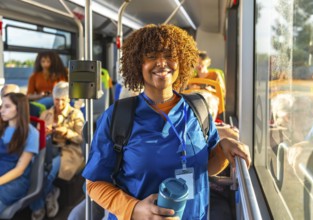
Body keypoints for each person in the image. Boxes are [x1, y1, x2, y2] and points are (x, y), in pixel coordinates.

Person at [82, 24, 250, 220]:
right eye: (151, 56)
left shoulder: (198, 108)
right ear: (138, 64)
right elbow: (94, 184)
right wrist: (134, 209)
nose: (162, 63)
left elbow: (207, 166)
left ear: (182, 61)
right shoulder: (118, 116)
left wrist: (224, 148)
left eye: (170, 55)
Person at [30, 81, 85, 220]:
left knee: (48, 173)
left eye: (62, 100)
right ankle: (47, 197)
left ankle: (39, 205)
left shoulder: (76, 114)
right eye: (56, 100)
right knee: (35, 172)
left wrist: (65, 132)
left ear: (68, 99)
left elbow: (81, 139)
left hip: (68, 150)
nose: (59, 104)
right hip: (48, 149)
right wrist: (45, 132)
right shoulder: (45, 114)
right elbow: (36, 136)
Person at [0, 93, 39, 213]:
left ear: (19, 108)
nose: (1, 110)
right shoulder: (2, 128)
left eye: (7, 107)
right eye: (2, 106)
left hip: (14, 182)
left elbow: (19, 170)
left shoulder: (31, 134)